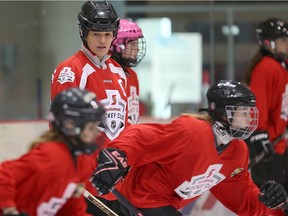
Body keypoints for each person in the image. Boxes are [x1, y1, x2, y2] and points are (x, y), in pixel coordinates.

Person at [90, 80, 288, 216]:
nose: (248, 119)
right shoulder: (193, 130)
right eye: (241, 112)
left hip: (165, 205)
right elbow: (142, 136)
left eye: (249, 112)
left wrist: (270, 201)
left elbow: (242, 197)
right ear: (220, 112)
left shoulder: (237, 151)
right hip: (139, 197)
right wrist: (118, 155)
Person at [50, 1, 129, 215]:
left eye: (108, 34)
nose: (103, 40)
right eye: (96, 34)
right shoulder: (70, 70)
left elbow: (125, 125)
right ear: (84, 33)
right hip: (85, 181)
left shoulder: (119, 71)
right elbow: (60, 126)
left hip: (118, 182)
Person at [0, 87, 105, 216]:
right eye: (91, 127)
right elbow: (4, 173)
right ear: (69, 125)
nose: (97, 132)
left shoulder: (82, 161)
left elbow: (70, 209)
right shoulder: (52, 156)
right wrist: (9, 210)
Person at [243, 17, 288, 198]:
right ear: (269, 43)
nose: (287, 43)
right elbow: (258, 103)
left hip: (279, 144)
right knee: (269, 202)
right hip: (267, 146)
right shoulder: (267, 67)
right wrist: (259, 134)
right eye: (283, 40)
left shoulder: (281, 66)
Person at [110, 18, 146, 125]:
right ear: (118, 46)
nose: (138, 49)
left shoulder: (132, 75)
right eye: (134, 45)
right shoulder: (106, 73)